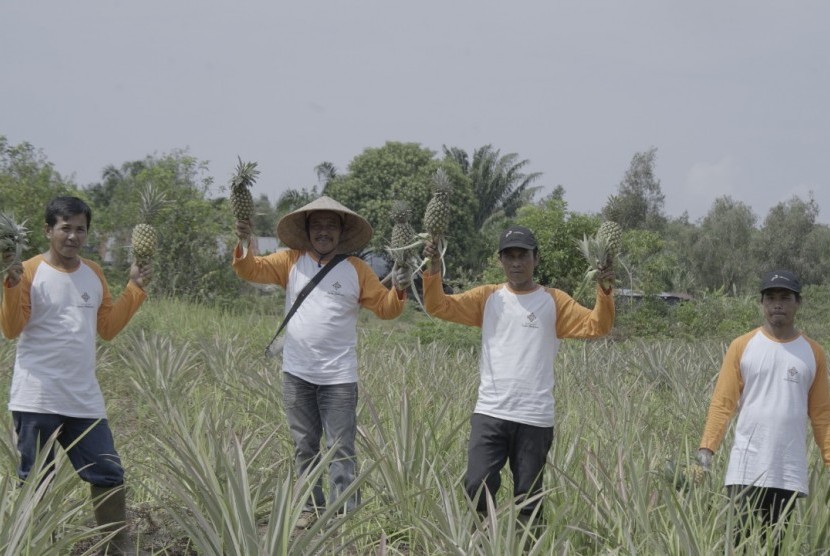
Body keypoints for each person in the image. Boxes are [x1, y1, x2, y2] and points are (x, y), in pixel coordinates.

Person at [232, 196, 409, 528]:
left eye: (331, 225)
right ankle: (310, 508)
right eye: (317, 225)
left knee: (341, 448)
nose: (324, 231)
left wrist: (399, 290)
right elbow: (249, 268)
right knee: (304, 446)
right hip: (297, 374)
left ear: (341, 231)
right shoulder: (290, 260)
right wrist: (243, 241)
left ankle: (344, 516)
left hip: (339, 377)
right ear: (307, 230)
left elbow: (386, 309)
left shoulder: (356, 269)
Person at [421, 225, 614, 529]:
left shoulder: (555, 301)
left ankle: (528, 545)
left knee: (529, 494)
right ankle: (485, 538)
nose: (516, 262)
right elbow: (438, 305)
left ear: (536, 258)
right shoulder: (488, 298)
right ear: (500, 261)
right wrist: (433, 269)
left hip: (534, 416)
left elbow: (596, 326)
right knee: (477, 481)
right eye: (509, 256)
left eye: (522, 255)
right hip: (490, 411)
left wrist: (603, 288)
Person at [1, 196, 151, 555]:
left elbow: (108, 328)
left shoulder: (94, 272)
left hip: (84, 400)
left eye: (80, 229)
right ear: (48, 230)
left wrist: (135, 288)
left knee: (109, 473)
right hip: (37, 397)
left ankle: (117, 547)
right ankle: (34, 547)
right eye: (65, 228)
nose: (73, 236)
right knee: (36, 483)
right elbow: (11, 328)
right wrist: (8, 285)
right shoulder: (27, 270)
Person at [697, 269, 830, 554]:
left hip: (788, 471)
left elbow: (821, 414)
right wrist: (707, 449)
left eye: (785, 297)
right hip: (746, 468)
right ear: (762, 304)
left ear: (798, 303)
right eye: (770, 298)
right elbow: (723, 402)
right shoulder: (742, 346)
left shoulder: (813, 353)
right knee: (738, 545)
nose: (777, 304)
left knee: (777, 547)